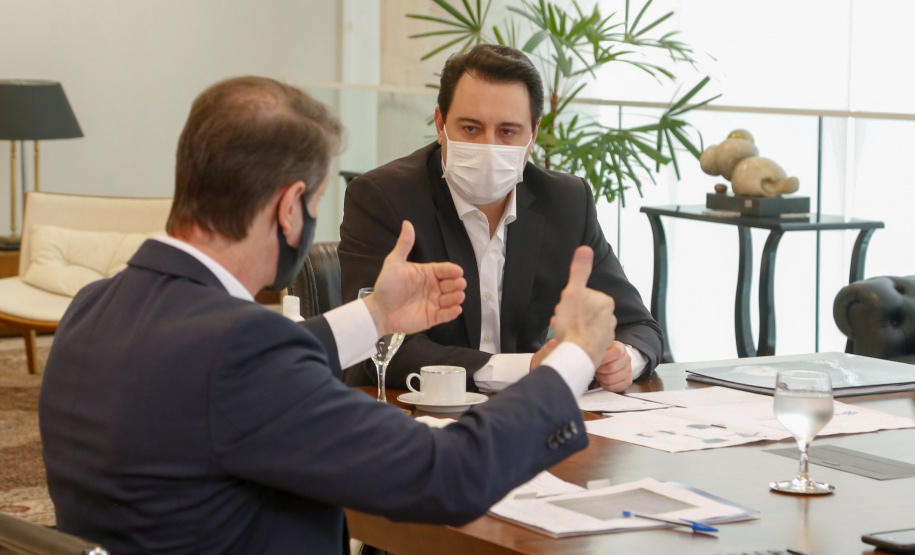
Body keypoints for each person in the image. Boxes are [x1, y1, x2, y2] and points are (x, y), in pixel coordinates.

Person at [38, 76, 619, 555]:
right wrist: (569, 357)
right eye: (315, 203)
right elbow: (450, 474)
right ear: (290, 209)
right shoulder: (239, 350)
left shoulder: (96, 306)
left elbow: (237, 374)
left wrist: (375, 315)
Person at [340, 44, 663, 395]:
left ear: (533, 136)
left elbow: (639, 326)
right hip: (408, 413)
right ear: (440, 124)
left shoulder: (567, 202)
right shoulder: (382, 197)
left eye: (508, 131)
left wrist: (625, 358)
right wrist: (524, 369)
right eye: (470, 128)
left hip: (527, 418)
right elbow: (376, 344)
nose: (489, 147)